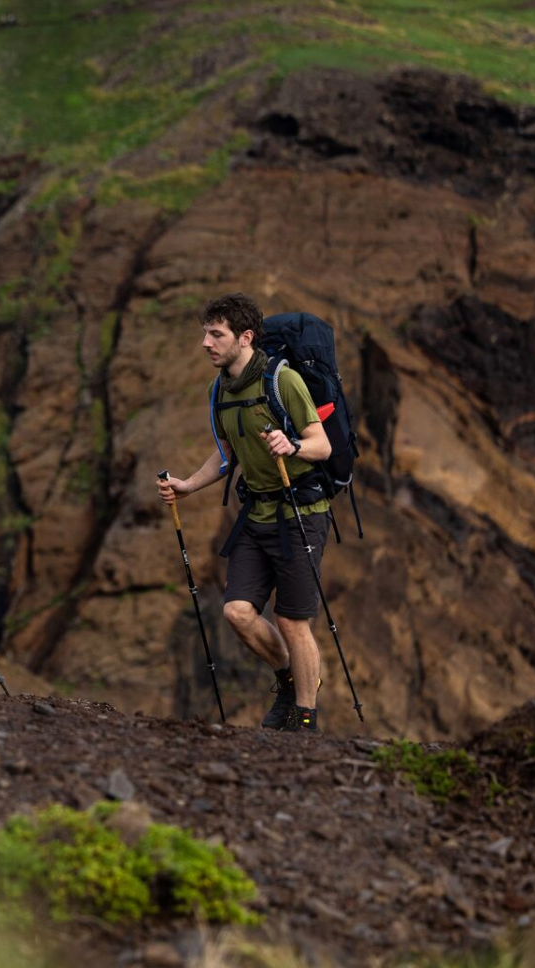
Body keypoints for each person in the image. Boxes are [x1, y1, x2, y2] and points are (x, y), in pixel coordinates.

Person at [156, 293, 331, 731]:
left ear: (245, 338)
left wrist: (292, 445)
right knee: (237, 612)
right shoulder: (219, 391)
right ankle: (291, 680)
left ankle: (305, 718)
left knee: (291, 620)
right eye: (205, 333)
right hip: (256, 514)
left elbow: (321, 445)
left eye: (216, 334)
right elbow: (227, 455)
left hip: (300, 511)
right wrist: (187, 485)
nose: (206, 343)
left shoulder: (282, 381)